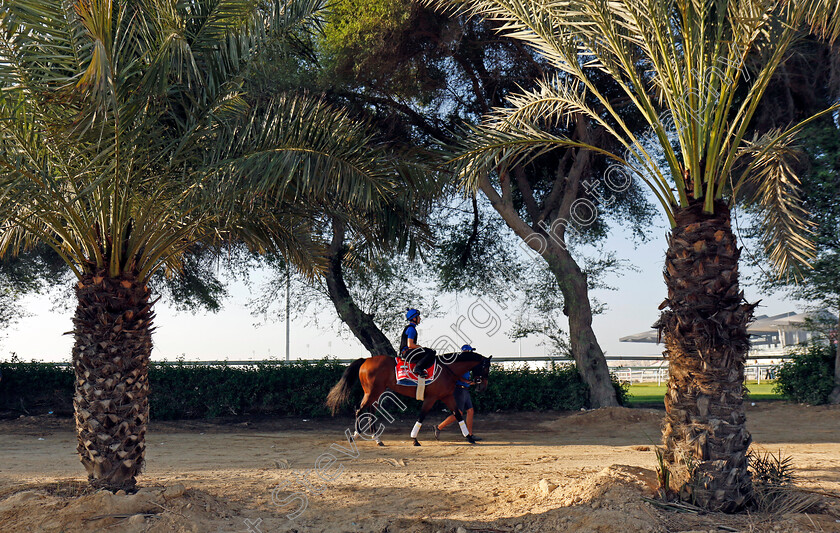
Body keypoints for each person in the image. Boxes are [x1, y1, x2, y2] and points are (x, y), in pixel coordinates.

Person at [434, 344, 481, 441]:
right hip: (459, 390)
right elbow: (456, 376)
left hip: (465, 390)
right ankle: (439, 427)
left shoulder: (467, 363)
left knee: (470, 411)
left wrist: (471, 382)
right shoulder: (459, 363)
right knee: (458, 413)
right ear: (467, 352)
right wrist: (467, 382)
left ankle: (470, 434)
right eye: (470, 351)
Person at [399, 308, 436, 379]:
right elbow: (410, 345)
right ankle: (418, 368)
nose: (420, 318)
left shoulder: (409, 328)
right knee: (431, 352)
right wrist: (420, 347)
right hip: (407, 353)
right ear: (414, 318)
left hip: (405, 352)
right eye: (418, 317)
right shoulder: (411, 329)